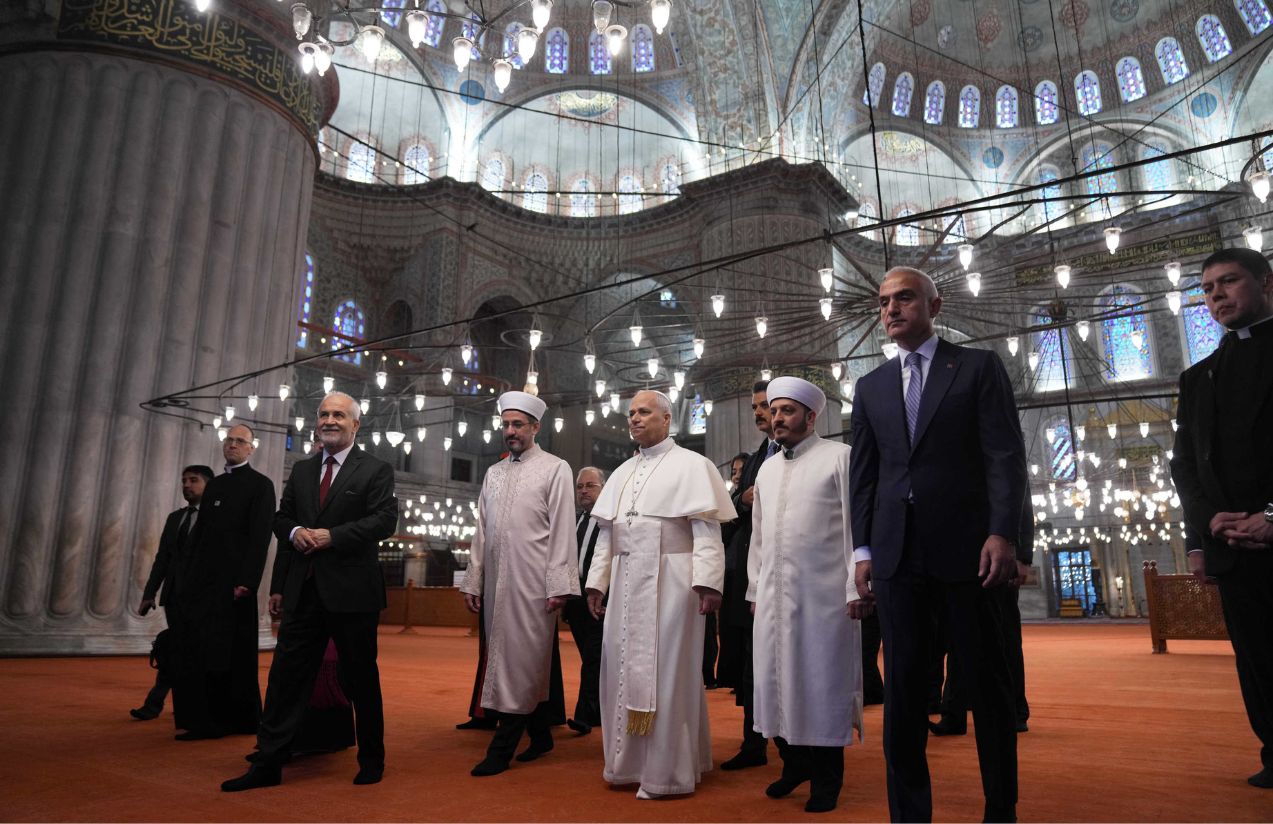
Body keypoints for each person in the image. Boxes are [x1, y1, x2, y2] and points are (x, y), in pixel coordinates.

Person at [849, 266, 1027, 823]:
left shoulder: (976, 367)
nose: (892, 310)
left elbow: (1004, 456)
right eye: (883, 302)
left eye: (904, 298)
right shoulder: (871, 385)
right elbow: (865, 478)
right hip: (898, 557)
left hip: (971, 553)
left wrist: (1005, 533)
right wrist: (863, 552)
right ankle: (909, 814)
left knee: (987, 685)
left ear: (935, 305)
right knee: (903, 690)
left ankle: (1000, 807)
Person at [222, 391, 398, 791]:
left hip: (353, 594)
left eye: (338, 415)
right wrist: (297, 532)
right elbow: (281, 518)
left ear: (355, 424)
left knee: (360, 680)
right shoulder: (301, 470)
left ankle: (372, 758)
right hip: (304, 591)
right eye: (323, 414)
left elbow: (384, 520)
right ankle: (268, 763)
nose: (329, 420)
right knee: (285, 679)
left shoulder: (375, 469)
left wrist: (331, 536)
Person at [584, 389, 735, 799]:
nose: (634, 418)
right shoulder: (620, 473)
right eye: (631, 413)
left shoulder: (693, 466)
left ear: (667, 419)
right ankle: (626, 763)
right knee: (619, 671)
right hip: (627, 579)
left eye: (644, 412)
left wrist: (708, 582)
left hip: (673, 581)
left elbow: (707, 532)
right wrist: (597, 583)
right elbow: (606, 536)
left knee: (670, 672)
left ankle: (667, 772)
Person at [1170, 247, 1273, 790]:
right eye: (1207, 289)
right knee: (1257, 659)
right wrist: (1204, 529)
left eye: (1228, 282)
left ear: (1265, 283)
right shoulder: (1200, 377)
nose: (1216, 296)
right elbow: (1184, 465)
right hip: (1231, 548)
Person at [748, 376, 863, 814]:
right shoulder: (768, 467)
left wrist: (855, 585)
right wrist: (755, 589)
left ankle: (828, 781)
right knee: (773, 681)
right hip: (773, 598)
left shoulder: (840, 458)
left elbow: (857, 529)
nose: (777, 418)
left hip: (824, 599)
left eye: (787, 411)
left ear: (811, 416)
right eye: (774, 411)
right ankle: (794, 764)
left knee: (820, 684)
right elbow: (759, 536)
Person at [460, 391, 580, 776]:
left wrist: (559, 584)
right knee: (511, 658)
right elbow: (481, 531)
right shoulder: (493, 473)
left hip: (534, 582)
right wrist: (473, 580)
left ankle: (502, 747)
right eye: (506, 425)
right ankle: (540, 734)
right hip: (496, 583)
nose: (510, 431)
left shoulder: (555, 467)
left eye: (518, 425)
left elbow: (563, 528)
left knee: (522, 660)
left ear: (535, 427)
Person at [170, 424, 275, 740]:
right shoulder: (214, 487)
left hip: (236, 586)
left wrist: (247, 580)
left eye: (239, 441)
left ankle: (240, 720)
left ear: (251, 448)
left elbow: (260, 537)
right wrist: (187, 578)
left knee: (232, 653)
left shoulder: (261, 485)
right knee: (202, 652)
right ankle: (206, 720)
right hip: (204, 583)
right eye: (228, 440)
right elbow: (199, 537)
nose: (232, 445)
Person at [929, 490, 1035, 736]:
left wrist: (1023, 557)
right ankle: (953, 714)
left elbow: (1023, 506)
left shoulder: (1001, 462)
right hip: (964, 559)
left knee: (1006, 639)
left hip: (1001, 560)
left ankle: (1016, 711)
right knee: (958, 638)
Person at [720, 381, 778, 771]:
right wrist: (741, 498)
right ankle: (753, 744)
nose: (758, 413)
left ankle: (802, 750)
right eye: (755, 407)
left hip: (786, 572)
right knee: (749, 665)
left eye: (765, 406)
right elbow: (733, 506)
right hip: (747, 577)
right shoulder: (758, 456)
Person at [132, 465, 214, 721]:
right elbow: (163, 559)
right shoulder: (175, 518)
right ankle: (156, 703)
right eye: (184, 481)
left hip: (205, 598)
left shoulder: (217, 519)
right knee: (175, 650)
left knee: (198, 653)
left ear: (208, 485)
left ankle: (192, 705)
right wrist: (149, 593)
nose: (187, 485)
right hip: (175, 597)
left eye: (194, 480)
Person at [564, 466, 607, 735]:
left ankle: (584, 715)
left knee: (593, 658)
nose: (583, 491)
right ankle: (598, 711)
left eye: (590, 486)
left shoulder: (609, 521)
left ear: (603, 488)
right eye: (580, 486)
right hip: (576, 602)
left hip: (601, 600)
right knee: (590, 658)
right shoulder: (577, 521)